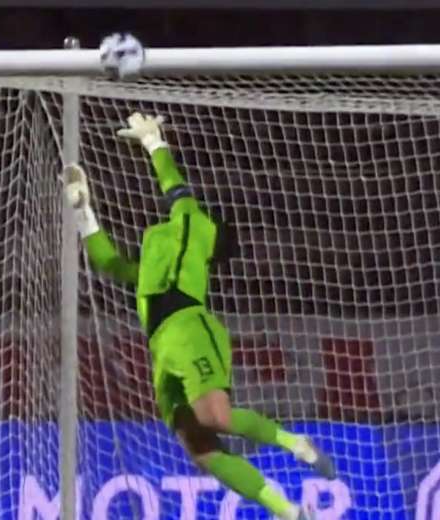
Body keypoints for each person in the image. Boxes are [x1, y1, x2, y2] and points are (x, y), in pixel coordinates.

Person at [66, 113, 336, 520]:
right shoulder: (151, 270)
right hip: (162, 352)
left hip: (190, 329)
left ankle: (295, 443)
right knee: (203, 450)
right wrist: (83, 210)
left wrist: (154, 143)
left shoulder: (194, 228)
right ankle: (290, 512)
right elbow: (106, 261)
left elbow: (177, 191)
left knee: (217, 418)